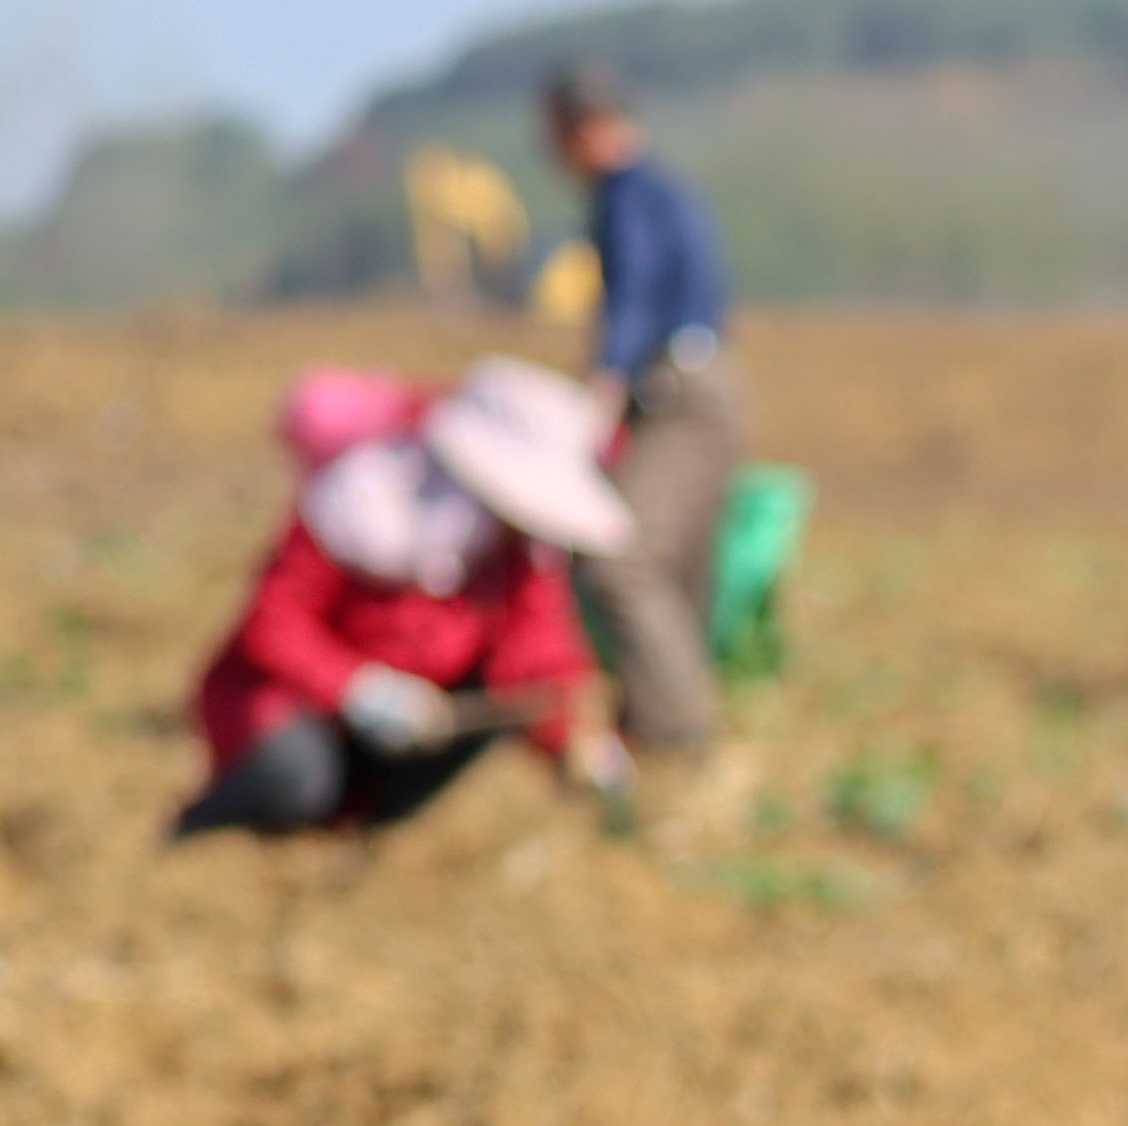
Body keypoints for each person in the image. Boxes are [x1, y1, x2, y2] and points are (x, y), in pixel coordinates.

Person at [174, 359, 631, 842]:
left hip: (402, 729)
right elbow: (274, 623)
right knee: (297, 779)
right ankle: (200, 832)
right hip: (292, 707)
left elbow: (535, 648)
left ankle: (349, 843)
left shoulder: (511, 549)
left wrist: (580, 736)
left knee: (493, 715)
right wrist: (357, 688)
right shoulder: (356, 504)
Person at [537, 63, 742, 769]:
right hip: (708, 385)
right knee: (682, 568)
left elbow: (637, 292)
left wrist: (605, 381)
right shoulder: (665, 188)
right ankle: (668, 723)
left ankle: (678, 736)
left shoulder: (624, 195)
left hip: (678, 393)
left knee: (624, 564)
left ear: (582, 127)